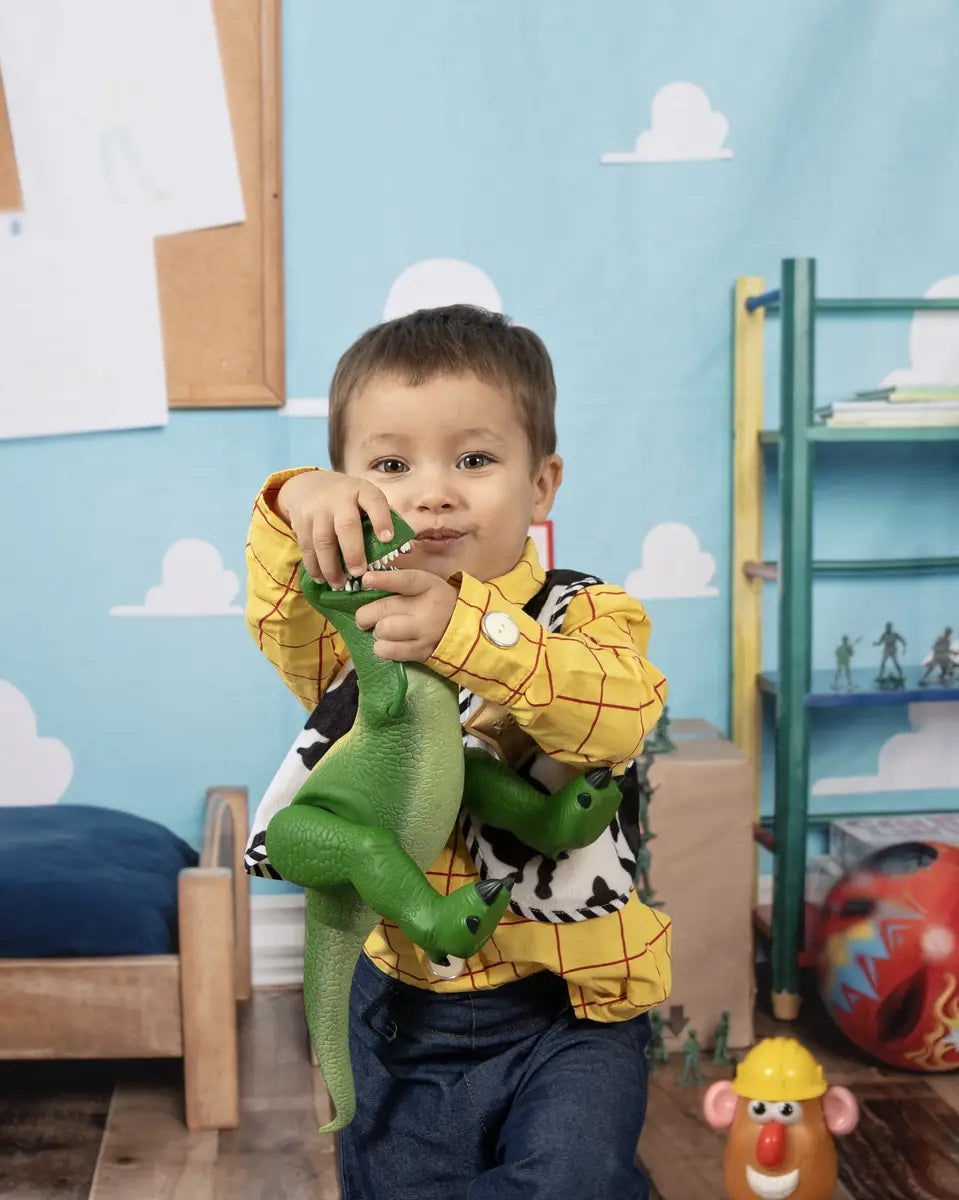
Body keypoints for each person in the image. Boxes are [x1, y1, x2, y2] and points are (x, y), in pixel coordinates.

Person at [244, 304, 670, 1199]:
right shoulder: (350, 623)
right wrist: (293, 502)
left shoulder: (586, 612)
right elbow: (283, 616)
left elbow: (618, 717)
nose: (431, 492)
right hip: (404, 1011)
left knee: (571, 1180)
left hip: (566, 1005)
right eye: (389, 466)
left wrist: (467, 632)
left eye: (473, 460)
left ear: (541, 484)